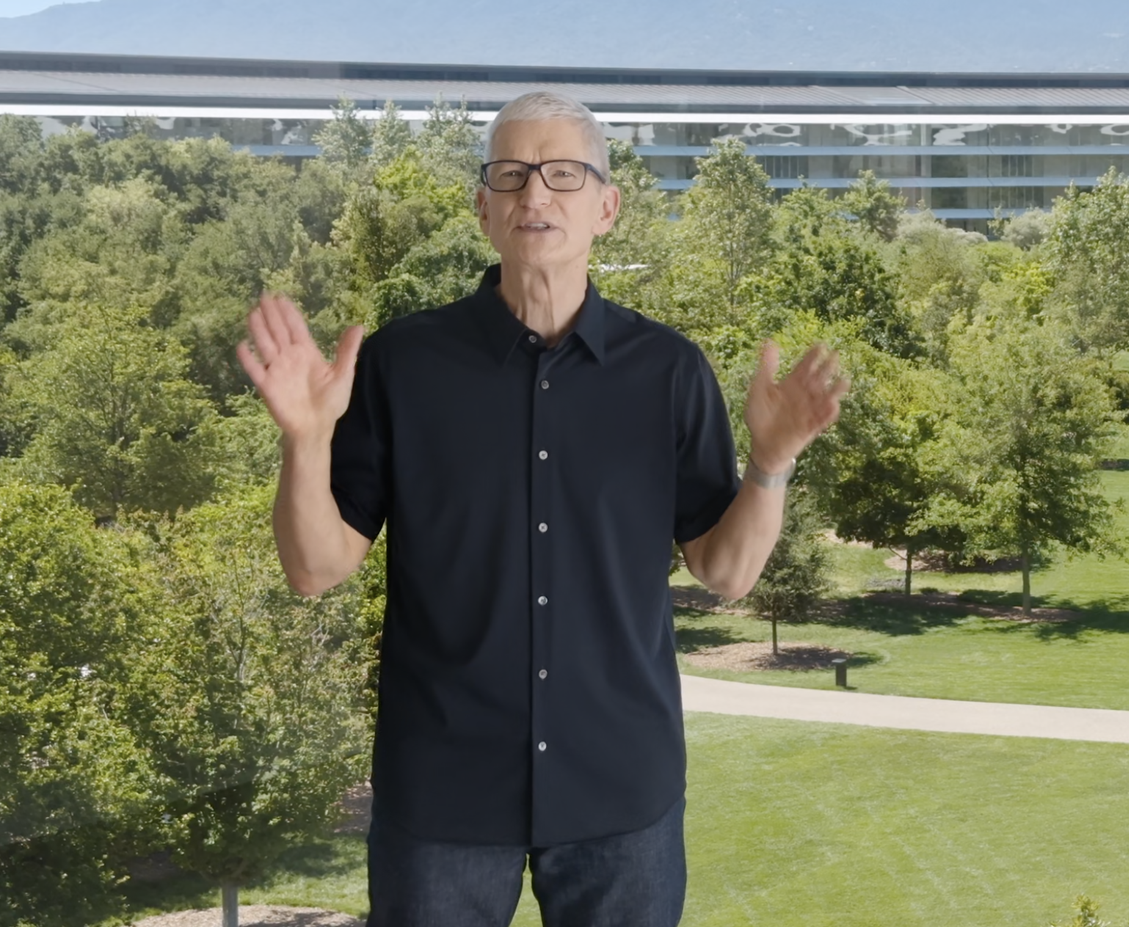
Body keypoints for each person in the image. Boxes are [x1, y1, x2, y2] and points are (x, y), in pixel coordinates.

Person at [237, 90, 847, 926]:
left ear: (607, 206)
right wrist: (305, 440)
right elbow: (315, 569)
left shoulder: (670, 372)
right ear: (481, 206)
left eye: (563, 174)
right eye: (512, 174)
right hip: (443, 790)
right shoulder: (399, 365)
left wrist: (771, 464)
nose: (535, 195)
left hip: (621, 790)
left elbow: (726, 572)